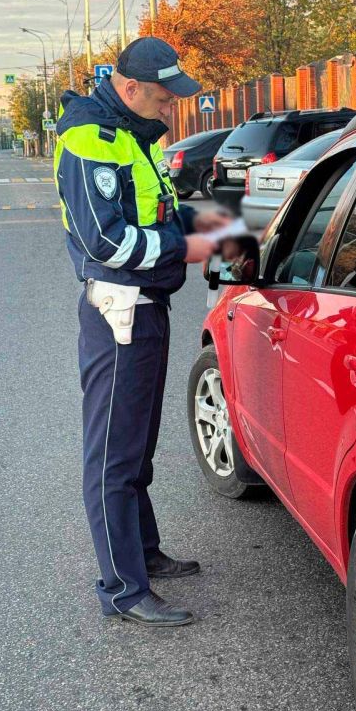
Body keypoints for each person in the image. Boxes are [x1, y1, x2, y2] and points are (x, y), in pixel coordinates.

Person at [54, 37, 230, 628]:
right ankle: (122, 588)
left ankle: (144, 554)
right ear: (129, 90)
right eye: (161, 97)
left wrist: (232, 228)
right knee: (113, 455)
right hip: (118, 312)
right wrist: (191, 246)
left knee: (138, 446)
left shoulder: (133, 137)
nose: (170, 108)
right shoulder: (90, 143)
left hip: (148, 306)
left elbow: (162, 212)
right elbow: (108, 241)